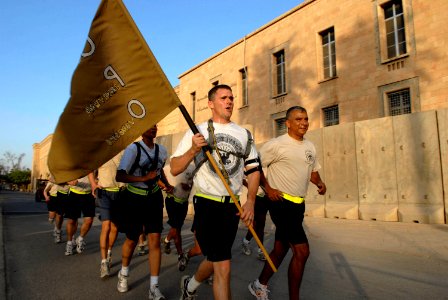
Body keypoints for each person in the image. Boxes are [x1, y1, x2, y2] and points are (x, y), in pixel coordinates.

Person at [170, 84, 260, 300]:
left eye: (231, 97)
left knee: (215, 258)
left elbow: (254, 170)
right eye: (223, 98)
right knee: (223, 267)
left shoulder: (244, 134)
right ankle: (191, 287)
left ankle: (190, 287)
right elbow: (174, 167)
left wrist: (250, 202)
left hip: (233, 206)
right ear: (210, 104)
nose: (229, 101)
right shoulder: (197, 131)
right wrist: (193, 150)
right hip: (206, 204)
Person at [248, 106, 326, 300]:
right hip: (280, 203)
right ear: (288, 123)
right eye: (299, 119)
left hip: (298, 205)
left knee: (281, 248)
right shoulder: (276, 144)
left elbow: (312, 170)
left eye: (306, 119)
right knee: (302, 251)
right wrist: (268, 188)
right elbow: (255, 167)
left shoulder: (309, 146)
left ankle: (259, 285)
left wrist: (319, 182)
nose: (304, 123)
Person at [115, 124, 173, 300]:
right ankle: (124, 273)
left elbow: (159, 170)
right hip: (134, 199)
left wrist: (167, 184)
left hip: (154, 199)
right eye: (148, 125)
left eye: (155, 125)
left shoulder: (162, 150)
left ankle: (154, 287)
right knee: (132, 239)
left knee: (154, 241)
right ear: (141, 130)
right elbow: (120, 176)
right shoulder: (133, 149)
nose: (153, 128)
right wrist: (143, 178)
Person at [89, 151, 125, 278]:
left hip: (120, 193)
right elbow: (90, 169)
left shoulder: (123, 151)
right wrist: (93, 184)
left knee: (115, 227)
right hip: (104, 193)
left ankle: (109, 252)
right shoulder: (101, 151)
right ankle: (104, 262)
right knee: (107, 225)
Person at [160, 164, 194, 271]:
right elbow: (159, 176)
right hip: (172, 201)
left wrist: (189, 187)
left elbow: (194, 182)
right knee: (176, 227)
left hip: (183, 203)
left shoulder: (193, 167)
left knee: (177, 228)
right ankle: (180, 255)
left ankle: (166, 240)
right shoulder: (169, 167)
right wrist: (165, 186)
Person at [64, 175, 96, 256]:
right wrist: (68, 181)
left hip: (89, 194)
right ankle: (69, 243)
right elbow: (61, 175)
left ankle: (80, 239)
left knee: (89, 220)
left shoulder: (94, 163)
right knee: (72, 220)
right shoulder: (73, 162)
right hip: (74, 193)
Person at [241, 181, 269, 261]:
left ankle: (245, 241)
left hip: (267, 195)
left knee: (258, 225)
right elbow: (243, 176)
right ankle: (261, 251)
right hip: (255, 196)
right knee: (259, 224)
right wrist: (251, 187)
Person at [43, 179, 69, 243]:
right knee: (51, 218)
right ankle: (56, 226)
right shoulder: (52, 181)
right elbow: (45, 191)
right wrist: (46, 197)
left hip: (62, 198)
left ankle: (57, 230)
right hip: (52, 199)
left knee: (60, 216)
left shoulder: (68, 181)